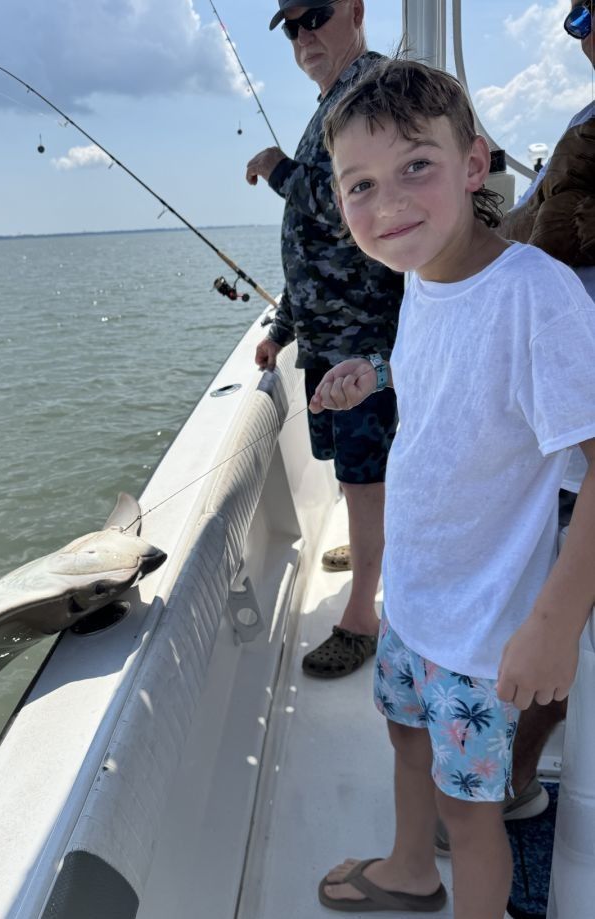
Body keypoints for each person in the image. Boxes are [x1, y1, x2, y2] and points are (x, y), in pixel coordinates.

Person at [310, 59, 595, 918]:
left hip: (480, 631)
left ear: (473, 164)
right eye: (360, 184)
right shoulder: (421, 274)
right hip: (414, 599)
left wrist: (554, 622)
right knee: (405, 740)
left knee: (470, 814)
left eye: (416, 166)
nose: (388, 203)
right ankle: (409, 868)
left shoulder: (536, 296)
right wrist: (377, 372)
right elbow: (453, 371)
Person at [450, 0, 595, 831]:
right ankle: (513, 775)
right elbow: (529, 223)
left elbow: (544, 236)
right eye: (577, 17)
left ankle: (507, 780)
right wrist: (447, 257)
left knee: (554, 622)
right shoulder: (582, 122)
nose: (587, 32)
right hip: (557, 432)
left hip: (578, 430)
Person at [245, 0, 403, 679]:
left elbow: (351, 202)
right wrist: (283, 329)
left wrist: (278, 167)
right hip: (325, 338)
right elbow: (316, 247)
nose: (304, 34)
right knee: (351, 472)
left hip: (363, 341)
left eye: (317, 14)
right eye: (292, 26)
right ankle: (373, 556)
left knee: (365, 477)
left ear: (357, 10)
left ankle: (363, 617)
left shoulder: (374, 90)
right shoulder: (333, 101)